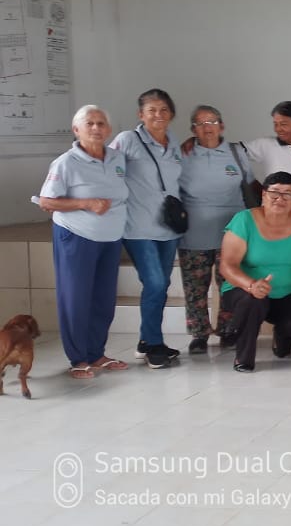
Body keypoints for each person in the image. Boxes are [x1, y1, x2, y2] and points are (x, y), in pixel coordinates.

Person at [38, 105, 130, 379]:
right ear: (76, 130)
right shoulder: (66, 162)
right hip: (76, 236)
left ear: (109, 130)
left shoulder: (117, 158)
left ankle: (96, 353)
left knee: (103, 299)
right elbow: (46, 201)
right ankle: (78, 358)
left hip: (110, 237)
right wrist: (86, 203)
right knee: (76, 299)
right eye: (89, 123)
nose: (96, 128)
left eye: (101, 123)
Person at [219, 172, 291, 372]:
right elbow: (227, 265)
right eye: (274, 192)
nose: (279, 198)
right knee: (252, 302)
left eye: (287, 193)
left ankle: (281, 335)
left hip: (288, 291)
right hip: (245, 290)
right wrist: (251, 285)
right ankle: (243, 358)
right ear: (263, 194)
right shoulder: (244, 220)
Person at [110, 89, 184, 370]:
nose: (158, 115)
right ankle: (154, 344)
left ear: (171, 114)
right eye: (151, 110)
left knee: (161, 285)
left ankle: (146, 341)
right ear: (140, 114)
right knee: (154, 283)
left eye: (164, 109)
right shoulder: (127, 140)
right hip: (137, 227)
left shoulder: (174, 143)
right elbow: (107, 168)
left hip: (168, 228)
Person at [178, 105, 255, 355]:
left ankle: (228, 329)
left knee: (230, 285)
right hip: (194, 233)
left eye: (211, 122)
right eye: (200, 123)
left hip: (232, 234)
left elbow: (250, 185)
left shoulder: (236, 152)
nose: (207, 127)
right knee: (195, 288)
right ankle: (199, 334)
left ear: (221, 125)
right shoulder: (183, 154)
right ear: (193, 129)